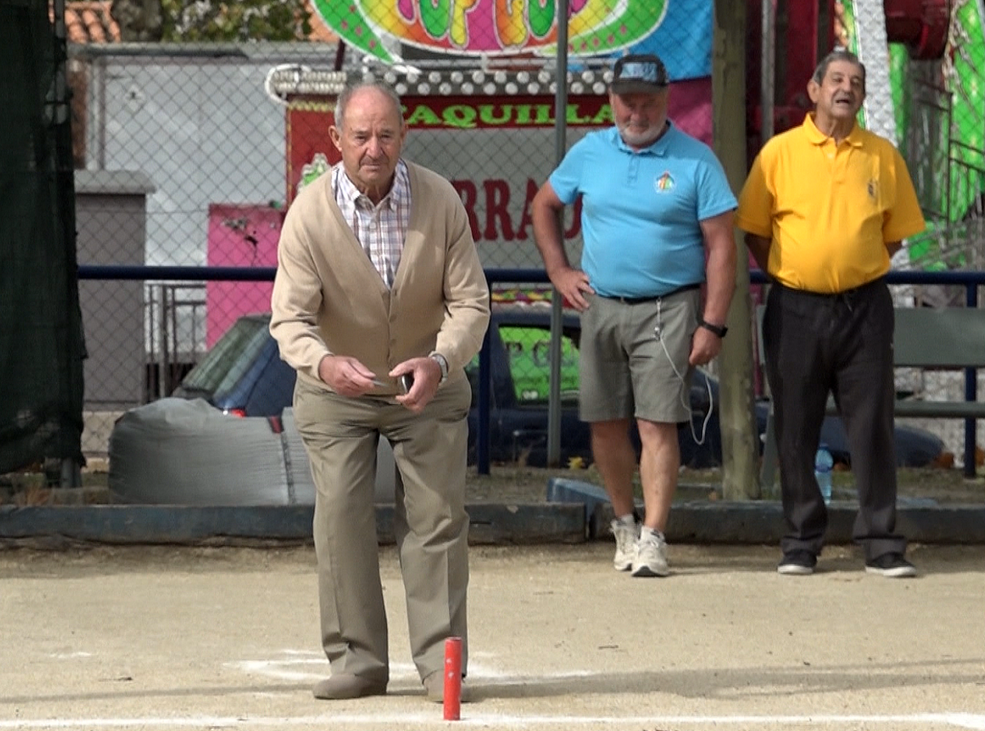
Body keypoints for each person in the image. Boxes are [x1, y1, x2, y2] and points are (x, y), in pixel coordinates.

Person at [269, 81, 491, 702]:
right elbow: (289, 319)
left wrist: (442, 361)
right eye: (361, 136)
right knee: (339, 513)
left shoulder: (441, 201)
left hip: (429, 380)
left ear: (403, 136)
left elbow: (471, 302)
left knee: (438, 518)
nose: (374, 148)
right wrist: (324, 362)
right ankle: (358, 661)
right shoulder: (308, 213)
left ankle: (440, 665)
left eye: (386, 134)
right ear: (336, 139)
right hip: (335, 386)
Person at [531, 54, 737, 578]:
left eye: (646, 101)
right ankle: (623, 522)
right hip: (600, 304)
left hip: (670, 306)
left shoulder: (696, 160)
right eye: (627, 101)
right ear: (612, 100)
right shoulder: (590, 152)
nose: (636, 111)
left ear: (667, 99)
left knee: (656, 422)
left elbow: (721, 247)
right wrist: (558, 270)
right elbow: (544, 204)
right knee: (604, 421)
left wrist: (712, 322)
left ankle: (654, 536)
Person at [735, 49, 926, 578]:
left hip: (864, 310)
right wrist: (797, 274)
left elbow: (892, 236)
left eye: (857, 82)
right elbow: (754, 229)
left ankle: (883, 542)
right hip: (795, 308)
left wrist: (851, 269)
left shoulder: (883, 156)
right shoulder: (780, 153)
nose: (847, 88)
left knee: (872, 427)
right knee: (795, 425)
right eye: (837, 79)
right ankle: (799, 542)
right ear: (815, 90)